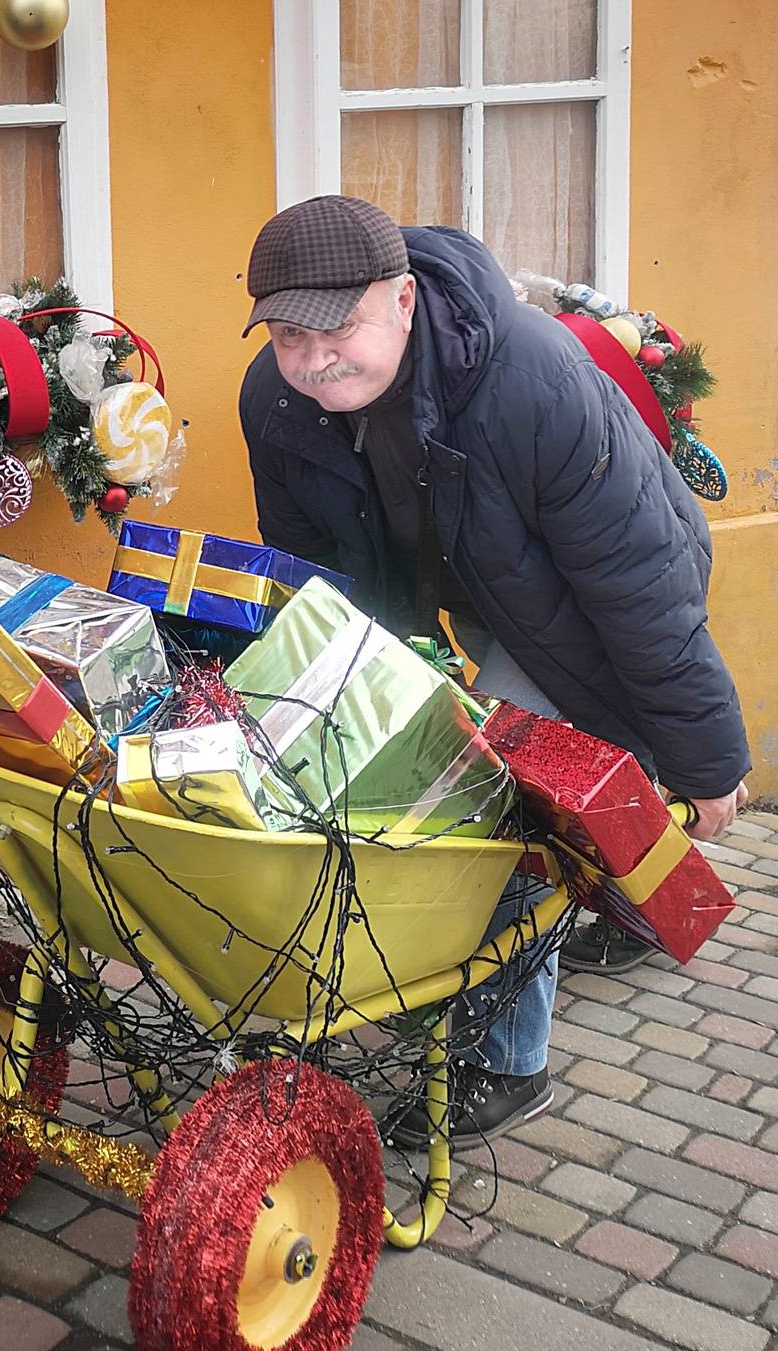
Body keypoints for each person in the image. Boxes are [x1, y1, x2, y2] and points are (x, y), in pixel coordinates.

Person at [238, 195, 750, 1144]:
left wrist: (708, 764)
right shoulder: (275, 401)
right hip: (471, 580)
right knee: (404, 767)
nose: (311, 360)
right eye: (287, 335)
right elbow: (319, 575)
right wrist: (366, 700)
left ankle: (507, 1061)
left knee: (499, 796)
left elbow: (638, 589)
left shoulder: (529, 380)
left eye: (336, 327)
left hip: (592, 589)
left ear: (401, 298)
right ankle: (607, 908)